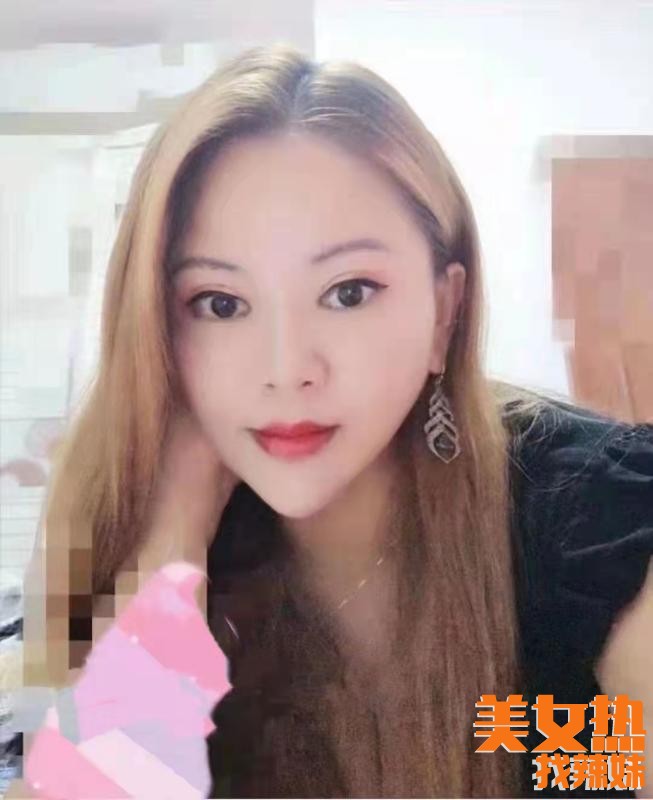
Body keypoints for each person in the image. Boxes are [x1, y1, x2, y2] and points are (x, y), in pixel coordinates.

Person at [7, 43, 653, 798]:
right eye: (220, 303)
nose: (287, 369)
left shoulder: (595, 517)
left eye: (348, 292)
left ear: (445, 310)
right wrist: (171, 552)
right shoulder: (122, 533)